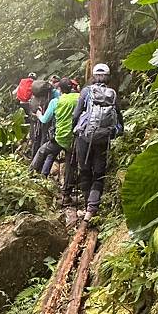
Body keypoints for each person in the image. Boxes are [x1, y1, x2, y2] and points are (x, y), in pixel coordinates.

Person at [73, 63, 124, 222]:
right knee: (99, 172)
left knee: (85, 169)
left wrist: (74, 129)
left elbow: (76, 114)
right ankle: (93, 206)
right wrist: (118, 132)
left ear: (93, 76)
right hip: (104, 137)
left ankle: (86, 205)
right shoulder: (112, 93)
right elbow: (119, 116)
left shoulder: (86, 92)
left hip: (85, 136)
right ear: (108, 77)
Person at [30, 78, 79, 199]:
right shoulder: (79, 98)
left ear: (60, 89)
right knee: (70, 165)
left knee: (42, 151)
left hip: (60, 137)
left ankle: (30, 175)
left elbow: (45, 119)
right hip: (74, 138)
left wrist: (38, 114)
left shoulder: (56, 102)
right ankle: (66, 195)